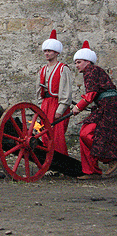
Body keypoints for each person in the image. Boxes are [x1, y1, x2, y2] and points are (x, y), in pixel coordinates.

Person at [72, 41, 117, 180]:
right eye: (76, 63)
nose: (77, 65)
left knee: (87, 133)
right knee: (84, 133)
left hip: (109, 108)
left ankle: (110, 157)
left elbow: (91, 94)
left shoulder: (91, 71)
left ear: (87, 61)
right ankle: (91, 170)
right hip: (102, 106)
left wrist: (78, 107)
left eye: (79, 62)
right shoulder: (91, 71)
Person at [36, 29, 72, 157]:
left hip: (57, 104)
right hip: (45, 104)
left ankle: (61, 162)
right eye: (45, 51)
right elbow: (39, 91)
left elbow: (66, 91)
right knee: (45, 134)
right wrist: (40, 107)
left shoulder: (63, 69)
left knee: (57, 135)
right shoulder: (42, 70)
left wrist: (61, 109)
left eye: (49, 51)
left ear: (56, 52)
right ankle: (48, 162)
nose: (47, 53)